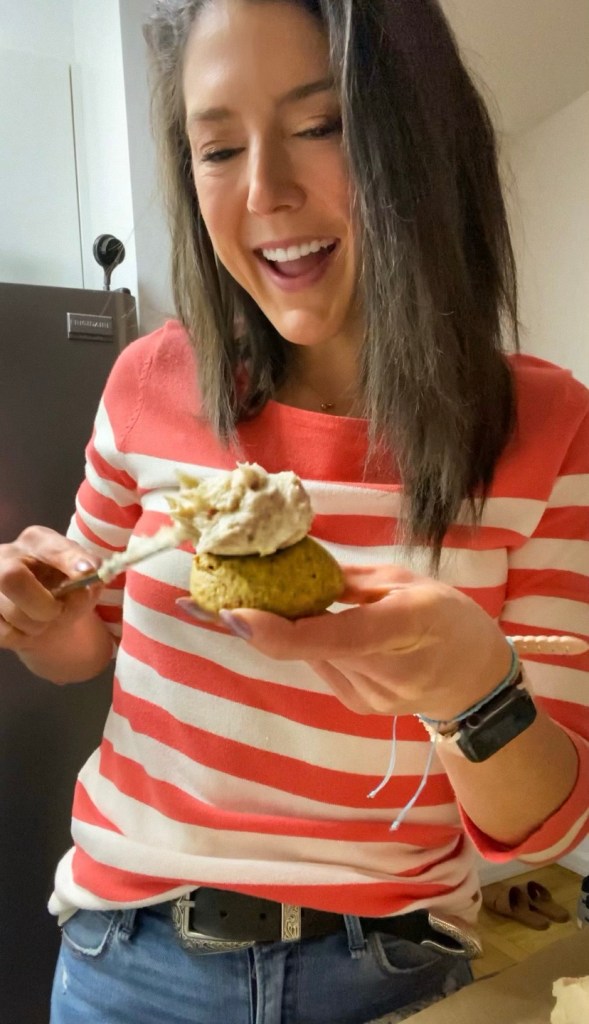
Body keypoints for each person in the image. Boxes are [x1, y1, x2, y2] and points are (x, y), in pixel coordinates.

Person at [0, 1, 587, 1021]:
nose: (263, 192)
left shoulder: (544, 427)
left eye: (320, 126)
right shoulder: (149, 379)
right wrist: (46, 622)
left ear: (418, 134)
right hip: (124, 954)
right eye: (217, 146)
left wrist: (470, 689)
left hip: (390, 971)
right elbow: (87, 636)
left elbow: (541, 825)